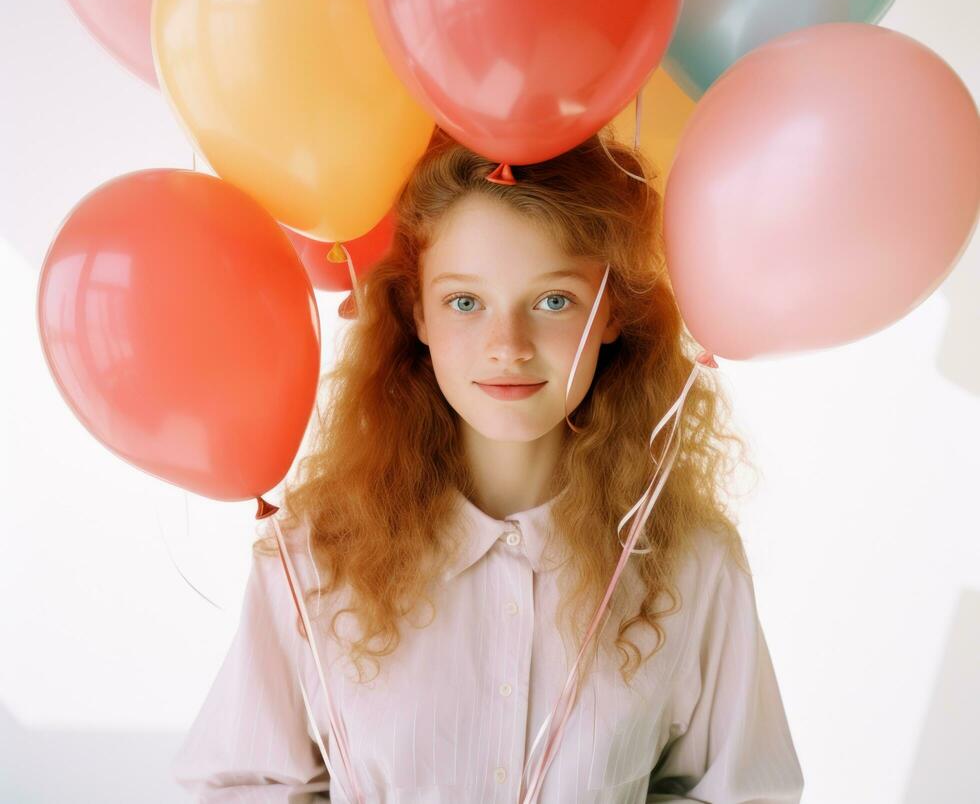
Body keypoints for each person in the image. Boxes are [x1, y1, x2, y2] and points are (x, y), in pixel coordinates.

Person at [171, 126, 805, 802]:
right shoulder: (311, 556)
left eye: (554, 300)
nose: (508, 347)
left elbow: (744, 791)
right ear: (417, 311)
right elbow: (235, 785)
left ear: (612, 309)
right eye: (465, 302)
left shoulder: (694, 563)